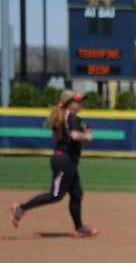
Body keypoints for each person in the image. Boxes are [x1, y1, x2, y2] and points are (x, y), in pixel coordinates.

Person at [10, 90, 100, 238]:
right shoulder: (71, 117)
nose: (81, 103)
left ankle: (79, 228)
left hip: (66, 159)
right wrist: (87, 136)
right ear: (69, 103)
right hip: (65, 160)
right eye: (77, 101)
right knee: (56, 195)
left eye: (81, 100)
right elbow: (74, 136)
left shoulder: (62, 116)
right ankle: (20, 208)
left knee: (76, 194)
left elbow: (55, 136)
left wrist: (75, 136)